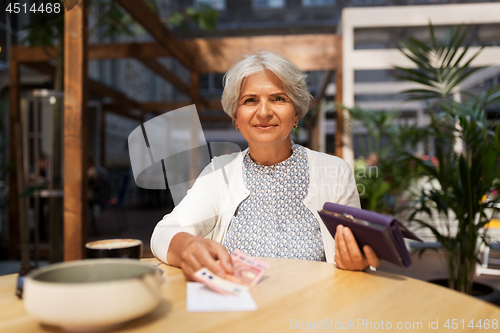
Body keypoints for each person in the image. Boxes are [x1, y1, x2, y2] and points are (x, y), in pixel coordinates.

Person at [151, 51, 380, 280]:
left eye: (278, 98)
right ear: (236, 119)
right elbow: (164, 232)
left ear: (296, 114)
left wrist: (356, 262)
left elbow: (358, 256)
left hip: (312, 309)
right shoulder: (219, 173)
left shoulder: (335, 172)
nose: (263, 112)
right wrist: (188, 246)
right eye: (250, 100)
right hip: (241, 307)